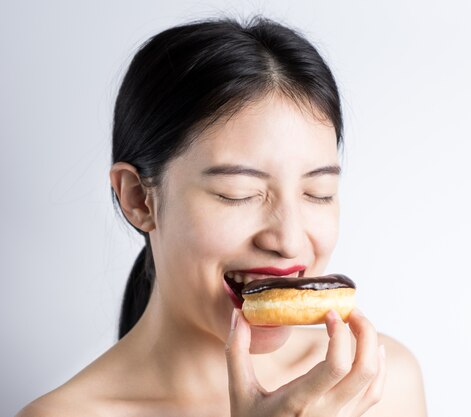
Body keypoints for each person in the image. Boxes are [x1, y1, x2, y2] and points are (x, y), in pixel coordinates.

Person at [17, 15, 427, 416]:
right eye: (238, 194)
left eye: (317, 193)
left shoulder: (379, 386)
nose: (288, 240)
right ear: (139, 198)